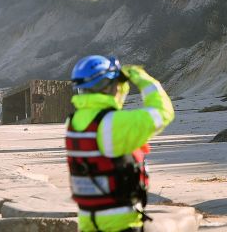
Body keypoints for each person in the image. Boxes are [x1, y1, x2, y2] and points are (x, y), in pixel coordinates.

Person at [66, 55, 174, 232]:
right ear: (110, 86)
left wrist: (117, 88)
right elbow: (163, 113)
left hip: (88, 220)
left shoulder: (73, 121)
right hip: (120, 222)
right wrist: (142, 79)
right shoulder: (113, 123)